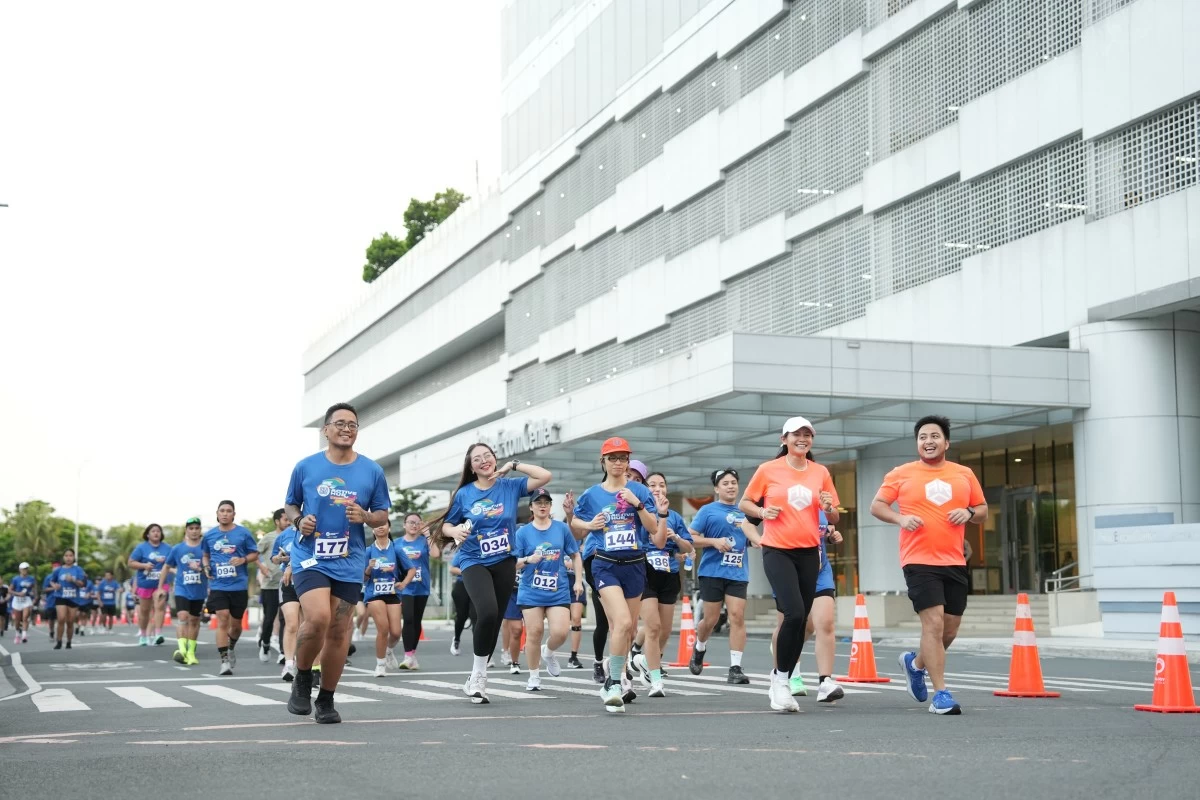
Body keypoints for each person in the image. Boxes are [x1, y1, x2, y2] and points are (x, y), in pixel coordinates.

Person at [871, 415, 987, 716]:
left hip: (954, 560)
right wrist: (900, 518)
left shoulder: (964, 473)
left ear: (946, 442)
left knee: (949, 630)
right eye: (923, 437)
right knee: (933, 624)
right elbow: (877, 506)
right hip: (918, 559)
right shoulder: (902, 473)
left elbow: (984, 510)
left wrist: (969, 511)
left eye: (935, 436)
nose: (929, 441)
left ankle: (916, 663)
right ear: (917, 443)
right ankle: (941, 694)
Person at [285, 402, 391, 724]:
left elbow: (382, 514)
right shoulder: (306, 467)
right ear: (326, 430)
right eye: (340, 423)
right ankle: (302, 677)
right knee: (317, 616)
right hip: (310, 556)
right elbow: (290, 505)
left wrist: (367, 517)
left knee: (338, 629)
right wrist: (299, 520)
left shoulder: (372, 471)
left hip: (349, 558)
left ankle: (326, 699)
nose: (347, 429)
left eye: (353, 425)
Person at [434, 443, 551, 705]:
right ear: (471, 467)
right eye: (477, 459)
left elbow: (544, 476)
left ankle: (478, 673)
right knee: (486, 611)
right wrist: (454, 532)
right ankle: (478, 676)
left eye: (488, 456)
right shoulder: (464, 494)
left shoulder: (509, 486)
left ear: (495, 459)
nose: (484, 461)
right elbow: (446, 526)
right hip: (473, 559)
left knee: (495, 619)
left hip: (504, 561)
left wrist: (515, 465)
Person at [741, 417, 840, 713]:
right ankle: (781, 681)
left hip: (810, 552)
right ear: (784, 439)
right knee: (794, 614)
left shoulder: (820, 472)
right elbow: (745, 504)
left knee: (801, 621)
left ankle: (781, 677)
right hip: (777, 550)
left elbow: (833, 516)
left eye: (807, 434)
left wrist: (828, 508)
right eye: (796, 434)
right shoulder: (768, 470)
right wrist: (762, 510)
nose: (803, 438)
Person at [571, 437, 668, 713]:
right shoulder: (592, 494)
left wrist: (638, 504)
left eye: (623, 457)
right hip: (604, 563)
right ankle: (614, 682)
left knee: (627, 628)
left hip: (635, 563)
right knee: (622, 621)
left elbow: (651, 527)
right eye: (612, 458)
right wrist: (589, 524)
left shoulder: (639, 490)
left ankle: (616, 680)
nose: (618, 462)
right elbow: (575, 527)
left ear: (628, 461)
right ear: (603, 462)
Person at [762, 510, 845, 702]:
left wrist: (830, 536)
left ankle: (825, 682)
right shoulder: (784, 499)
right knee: (793, 624)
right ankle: (782, 676)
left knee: (825, 622)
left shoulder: (820, 502)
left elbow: (828, 526)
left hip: (819, 571)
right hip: (789, 571)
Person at [688, 468, 758, 684]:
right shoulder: (708, 511)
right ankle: (699, 647)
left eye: (734, 482)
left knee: (737, 616)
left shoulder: (745, 512)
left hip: (737, 572)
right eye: (725, 483)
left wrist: (754, 541)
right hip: (712, 572)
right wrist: (713, 542)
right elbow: (690, 537)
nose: (730, 486)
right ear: (717, 488)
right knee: (711, 620)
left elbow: (750, 538)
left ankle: (735, 668)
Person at [513, 488, 583, 691]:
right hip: (531, 590)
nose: (542, 505)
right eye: (538, 502)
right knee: (534, 632)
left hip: (557, 589)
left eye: (546, 502)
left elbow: (576, 555)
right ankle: (534, 675)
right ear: (531, 507)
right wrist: (527, 559)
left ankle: (549, 652)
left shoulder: (561, 529)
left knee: (561, 632)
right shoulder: (523, 533)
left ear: (551, 506)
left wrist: (578, 581)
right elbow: (512, 562)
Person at [630, 471, 693, 695]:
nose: (658, 489)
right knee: (653, 627)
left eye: (662, 485)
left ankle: (644, 661)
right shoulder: (639, 513)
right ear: (646, 489)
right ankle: (656, 680)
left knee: (665, 631)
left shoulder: (674, 516)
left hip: (669, 574)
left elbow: (689, 548)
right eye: (653, 485)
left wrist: (676, 538)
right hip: (644, 573)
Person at [201, 501, 259, 676]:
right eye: (222, 511)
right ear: (217, 514)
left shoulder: (243, 533)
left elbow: (254, 553)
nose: (225, 514)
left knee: (235, 625)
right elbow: (205, 555)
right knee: (222, 618)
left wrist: (242, 560)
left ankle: (231, 645)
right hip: (218, 585)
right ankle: (224, 660)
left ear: (234, 514)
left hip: (238, 585)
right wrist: (205, 567)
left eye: (228, 511)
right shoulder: (210, 535)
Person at [364, 522, 416, 677]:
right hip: (374, 593)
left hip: (393, 593)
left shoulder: (397, 549)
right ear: (372, 529)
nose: (380, 527)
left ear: (389, 528)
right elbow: (362, 578)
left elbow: (412, 569)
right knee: (383, 628)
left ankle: (388, 651)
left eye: (384, 524)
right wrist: (368, 569)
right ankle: (380, 665)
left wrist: (404, 583)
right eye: (377, 525)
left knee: (395, 632)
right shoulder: (368, 551)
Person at [396, 511, 440, 670]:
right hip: (405, 587)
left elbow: (435, 554)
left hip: (421, 587)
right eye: (410, 522)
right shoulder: (397, 543)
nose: (414, 525)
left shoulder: (424, 541)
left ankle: (412, 654)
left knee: (416, 621)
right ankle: (407, 655)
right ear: (404, 525)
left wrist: (428, 533)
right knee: (407, 619)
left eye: (417, 522)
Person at [161, 517, 207, 665]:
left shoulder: (205, 549)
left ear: (200, 530)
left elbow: (210, 569)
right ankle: (182, 651)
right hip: (182, 588)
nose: (194, 531)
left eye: (196, 528)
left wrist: (199, 568)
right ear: (186, 530)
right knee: (182, 616)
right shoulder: (177, 549)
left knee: (194, 620)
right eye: (191, 528)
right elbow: (166, 567)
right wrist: (160, 587)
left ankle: (191, 652)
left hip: (199, 590)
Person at [128, 523, 172, 645]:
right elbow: (131, 563)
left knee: (159, 607)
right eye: (153, 531)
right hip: (145, 583)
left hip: (161, 584)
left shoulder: (167, 548)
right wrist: (144, 565)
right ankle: (143, 635)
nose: (156, 533)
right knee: (144, 611)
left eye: (158, 531)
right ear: (147, 534)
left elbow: (172, 564)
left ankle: (158, 634)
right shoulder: (141, 548)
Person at [257, 509, 289, 663]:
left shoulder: (292, 536)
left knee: (285, 618)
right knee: (269, 618)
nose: (288, 522)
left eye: (290, 519)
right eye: (285, 519)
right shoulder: (269, 538)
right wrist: (262, 567)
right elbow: (254, 553)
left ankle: (283, 652)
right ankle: (265, 643)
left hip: (287, 583)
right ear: (277, 521)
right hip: (269, 584)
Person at [559, 491, 586, 669]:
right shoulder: (557, 537)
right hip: (558, 582)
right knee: (559, 625)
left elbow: (582, 559)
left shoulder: (582, 539)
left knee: (576, 618)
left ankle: (573, 656)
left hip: (576, 582)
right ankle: (550, 649)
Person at [272, 519, 301, 680]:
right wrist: (279, 558)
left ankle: (307, 664)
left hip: (310, 582)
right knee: (291, 624)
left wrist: (293, 565)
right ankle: (289, 664)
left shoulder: (316, 532)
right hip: (289, 583)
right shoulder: (284, 535)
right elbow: (274, 558)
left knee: (307, 626)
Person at [48, 549, 86, 650]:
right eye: (66, 555)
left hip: (73, 597)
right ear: (63, 557)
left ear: (73, 557)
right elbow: (51, 581)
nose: (68, 558)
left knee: (70, 621)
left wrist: (73, 580)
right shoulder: (58, 570)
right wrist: (55, 585)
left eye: (70, 556)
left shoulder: (78, 569)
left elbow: (82, 584)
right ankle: (59, 641)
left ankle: (69, 642)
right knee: (61, 619)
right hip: (61, 596)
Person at [448, 550, 474, 656]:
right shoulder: (464, 550)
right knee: (462, 616)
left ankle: (482, 650)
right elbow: (452, 569)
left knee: (476, 616)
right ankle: (456, 639)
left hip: (478, 586)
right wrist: (467, 571)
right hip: (462, 584)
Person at [10, 562, 36, 644]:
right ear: (19, 570)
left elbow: (33, 589)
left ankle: (24, 635)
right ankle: (17, 634)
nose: (24, 571)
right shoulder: (15, 579)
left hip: (26, 600)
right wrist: (18, 594)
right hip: (17, 600)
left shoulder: (31, 578)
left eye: (26, 569)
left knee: (25, 617)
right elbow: (10, 590)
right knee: (17, 620)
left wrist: (34, 597)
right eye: (23, 569)